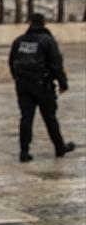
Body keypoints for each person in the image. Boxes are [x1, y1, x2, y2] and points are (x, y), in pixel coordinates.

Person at [9, 13, 74, 161]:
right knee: (50, 118)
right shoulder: (47, 41)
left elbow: (12, 63)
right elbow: (56, 64)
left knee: (26, 118)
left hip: (23, 86)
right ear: (43, 23)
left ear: (30, 23)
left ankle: (24, 151)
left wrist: (19, 80)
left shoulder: (19, 41)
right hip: (43, 86)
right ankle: (59, 147)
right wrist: (63, 83)